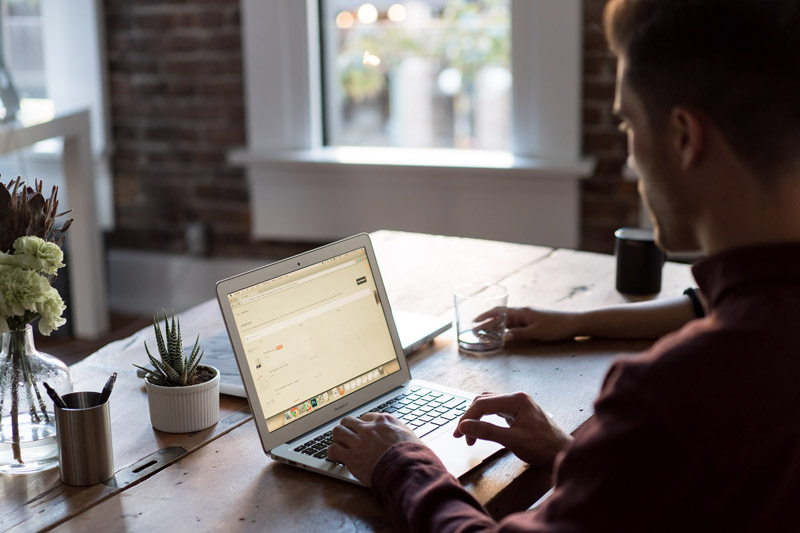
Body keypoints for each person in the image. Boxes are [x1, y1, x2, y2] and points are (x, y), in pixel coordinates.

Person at [327, 0, 800, 530]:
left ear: (684, 137)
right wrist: (573, 453)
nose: (630, 159)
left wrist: (400, 464)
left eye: (626, 124)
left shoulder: (677, 394)